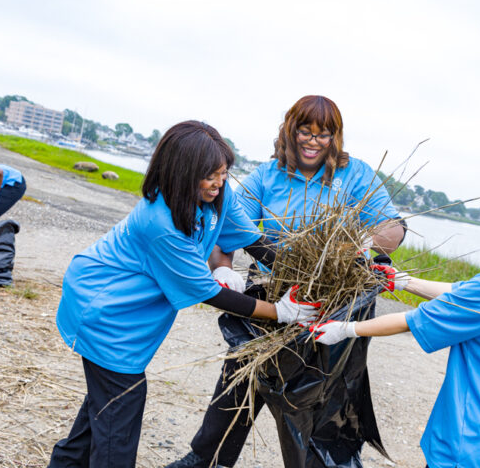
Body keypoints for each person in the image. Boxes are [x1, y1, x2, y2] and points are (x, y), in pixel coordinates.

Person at [47, 121, 320, 468]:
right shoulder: (158, 222)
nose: (219, 182)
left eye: (223, 173)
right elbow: (209, 292)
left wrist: (308, 274)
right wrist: (279, 312)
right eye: (211, 175)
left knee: (105, 409)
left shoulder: (219, 196)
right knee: (121, 412)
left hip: (125, 309)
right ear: (183, 172)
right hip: (105, 310)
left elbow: (254, 241)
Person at [169, 96, 405, 468]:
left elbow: (394, 226)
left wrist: (365, 242)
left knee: (321, 395)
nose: (312, 141)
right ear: (290, 130)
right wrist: (222, 268)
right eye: (305, 131)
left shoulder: (354, 173)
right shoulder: (267, 175)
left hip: (335, 300)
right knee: (243, 373)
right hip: (276, 289)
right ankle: (205, 459)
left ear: (335, 137)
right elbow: (227, 226)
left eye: (323, 134)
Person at [312, 163, 480, 468]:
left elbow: (413, 321)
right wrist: (402, 281)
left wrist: (346, 329)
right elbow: (468, 294)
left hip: (470, 439)